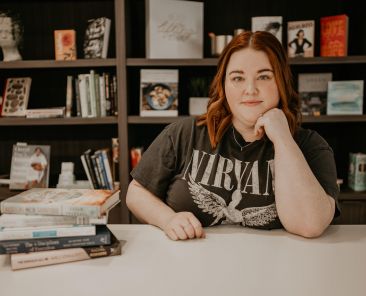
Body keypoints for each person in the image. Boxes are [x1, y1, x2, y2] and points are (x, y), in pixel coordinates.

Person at [126, 31, 340, 241]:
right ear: (224, 85)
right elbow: (136, 192)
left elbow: (310, 225)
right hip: (190, 266)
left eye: (264, 76)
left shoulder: (310, 145)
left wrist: (283, 138)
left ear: (281, 82)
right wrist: (168, 219)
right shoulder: (185, 133)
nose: (250, 89)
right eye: (237, 77)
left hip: (275, 269)